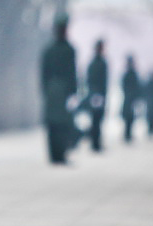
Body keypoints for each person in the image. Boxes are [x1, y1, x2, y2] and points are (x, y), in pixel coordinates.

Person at [40, 13, 77, 164]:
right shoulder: (68, 50)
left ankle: (55, 155)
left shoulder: (49, 50)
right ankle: (59, 155)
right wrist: (73, 92)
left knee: (55, 124)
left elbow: (44, 74)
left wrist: (45, 90)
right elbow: (71, 73)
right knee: (61, 124)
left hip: (53, 91)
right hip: (61, 91)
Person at [85, 39, 108, 152]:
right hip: (96, 94)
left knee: (97, 119)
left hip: (97, 94)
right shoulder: (98, 63)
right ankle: (95, 143)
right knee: (96, 119)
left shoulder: (97, 63)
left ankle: (96, 142)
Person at [120, 55, 142, 143]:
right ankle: (127, 134)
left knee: (129, 117)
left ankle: (128, 134)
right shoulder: (131, 74)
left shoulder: (129, 73)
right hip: (130, 98)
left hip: (130, 98)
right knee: (128, 117)